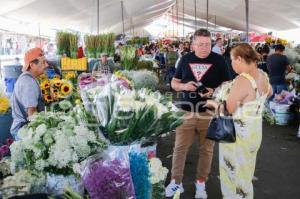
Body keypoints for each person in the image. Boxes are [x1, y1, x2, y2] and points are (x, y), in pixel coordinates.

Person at [165, 29, 229, 198]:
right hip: (185, 111)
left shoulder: (219, 60)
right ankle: (175, 182)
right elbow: (174, 82)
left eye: (207, 44)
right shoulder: (185, 59)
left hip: (209, 113)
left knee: (207, 150)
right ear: (193, 44)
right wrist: (185, 86)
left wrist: (214, 89)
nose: (204, 47)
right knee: (179, 148)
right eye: (200, 44)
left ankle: (201, 183)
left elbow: (228, 84)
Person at [206, 43, 272, 199]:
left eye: (232, 60)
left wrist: (212, 103)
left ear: (240, 59)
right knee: (246, 171)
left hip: (237, 136)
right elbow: (268, 93)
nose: (231, 64)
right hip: (254, 132)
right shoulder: (262, 75)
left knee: (234, 174)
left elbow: (227, 109)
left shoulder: (243, 80)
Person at [10, 48, 48, 140]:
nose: (46, 65)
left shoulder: (27, 79)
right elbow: (31, 113)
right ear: (32, 65)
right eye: (43, 62)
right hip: (24, 132)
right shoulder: (28, 83)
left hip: (23, 129)